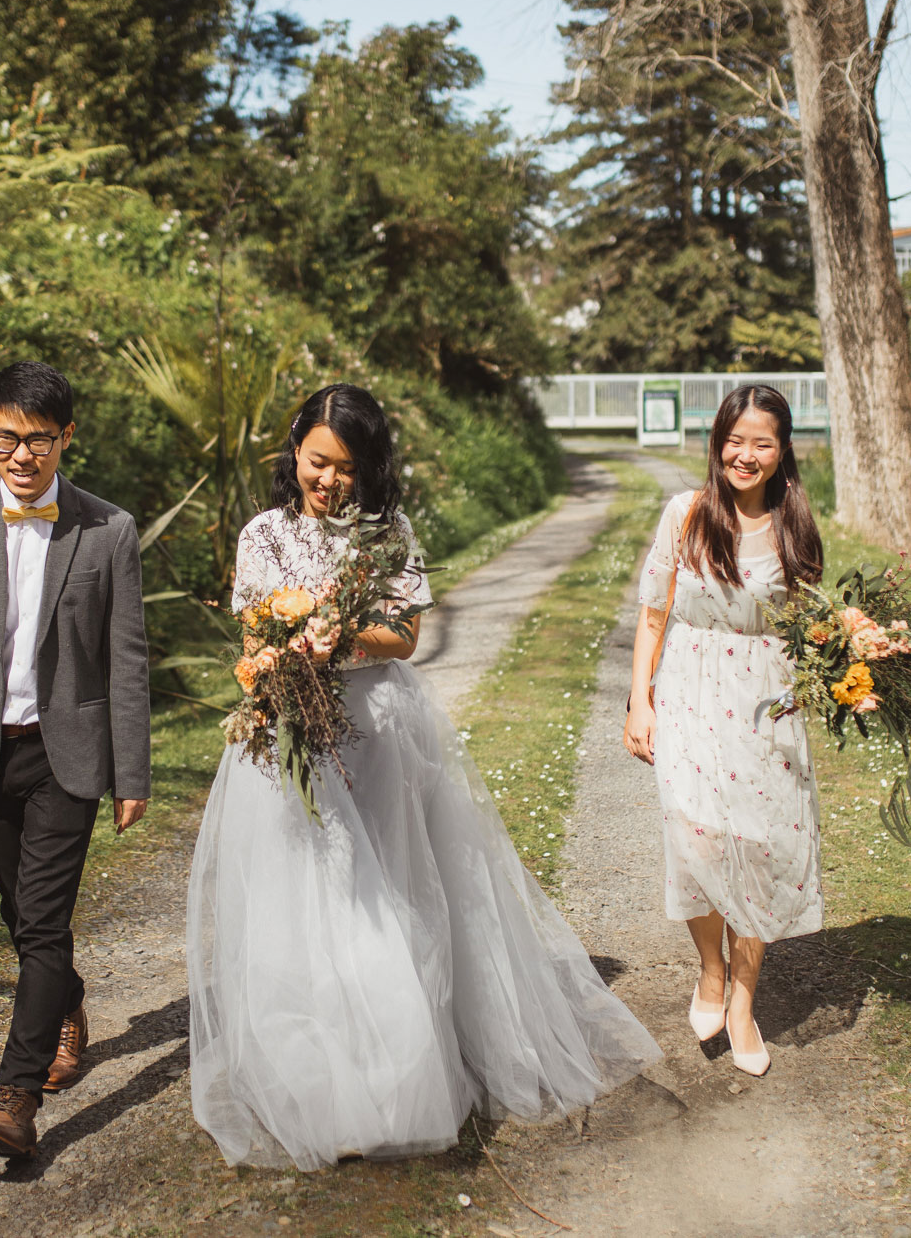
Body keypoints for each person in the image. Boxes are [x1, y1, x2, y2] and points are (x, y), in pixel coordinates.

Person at [186, 383, 661, 1171]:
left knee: (385, 890)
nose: (328, 481)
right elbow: (251, 636)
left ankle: (390, 1078)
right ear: (293, 447)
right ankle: (314, 1078)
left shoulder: (389, 530)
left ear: (369, 468)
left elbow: (404, 637)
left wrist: (335, 638)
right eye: (316, 462)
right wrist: (272, 660)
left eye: (345, 467)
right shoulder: (262, 535)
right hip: (286, 731)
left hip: (376, 729)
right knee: (301, 899)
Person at [0, 361, 150, 1160]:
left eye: (38, 440)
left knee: (42, 922)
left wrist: (131, 773)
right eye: (7, 437)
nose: (21, 455)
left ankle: (15, 1097)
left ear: (66, 438)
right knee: (23, 915)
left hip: (64, 756)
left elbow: (128, 659)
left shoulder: (108, 530)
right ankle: (67, 1001)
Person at [622, 384, 825, 1077]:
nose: (746, 454)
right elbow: (653, 613)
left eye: (762, 442)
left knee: (760, 846)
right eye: (735, 440)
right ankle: (710, 969)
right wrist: (638, 702)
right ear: (717, 442)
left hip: (766, 702)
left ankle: (742, 1000)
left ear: (781, 450)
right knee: (696, 833)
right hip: (688, 689)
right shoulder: (683, 514)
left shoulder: (796, 526)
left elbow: (810, 626)